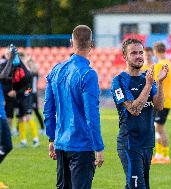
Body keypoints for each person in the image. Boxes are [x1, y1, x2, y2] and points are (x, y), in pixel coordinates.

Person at [44, 25, 104, 189]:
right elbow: (92, 114)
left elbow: (48, 109)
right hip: (82, 144)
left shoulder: (56, 70)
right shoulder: (88, 74)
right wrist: (98, 147)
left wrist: (51, 137)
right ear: (92, 44)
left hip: (61, 142)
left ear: (72, 42)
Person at [111, 38, 168, 189]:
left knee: (136, 185)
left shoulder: (146, 78)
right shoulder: (119, 81)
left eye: (140, 52)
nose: (139, 56)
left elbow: (160, 105)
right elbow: (134, 109)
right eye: (134, 53)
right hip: (129, 143)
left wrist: (160, 83)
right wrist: (149, 85)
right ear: (125, 56)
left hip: (147, 143)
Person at [151, 42, 171, 164]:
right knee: (158, 127)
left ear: (155, 52)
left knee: (159, 128)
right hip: (168, 99)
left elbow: (154, 83)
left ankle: (165, 156)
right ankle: (159, 154)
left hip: (161, 100)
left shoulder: (158, 66)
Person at [0, 46, 14, 189]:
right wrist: (10, 59)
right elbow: (4, 75)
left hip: (1, 114)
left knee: (7, 146)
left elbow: (6, 75)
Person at [23, 55, 45, 134]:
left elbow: (31, 86)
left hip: (32, 95)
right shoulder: (32, 72)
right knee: (26, 111)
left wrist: (27, 91)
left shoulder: (32, 73)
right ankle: (19, 130)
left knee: (34, 111)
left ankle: (42, 128)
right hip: (32, 94)